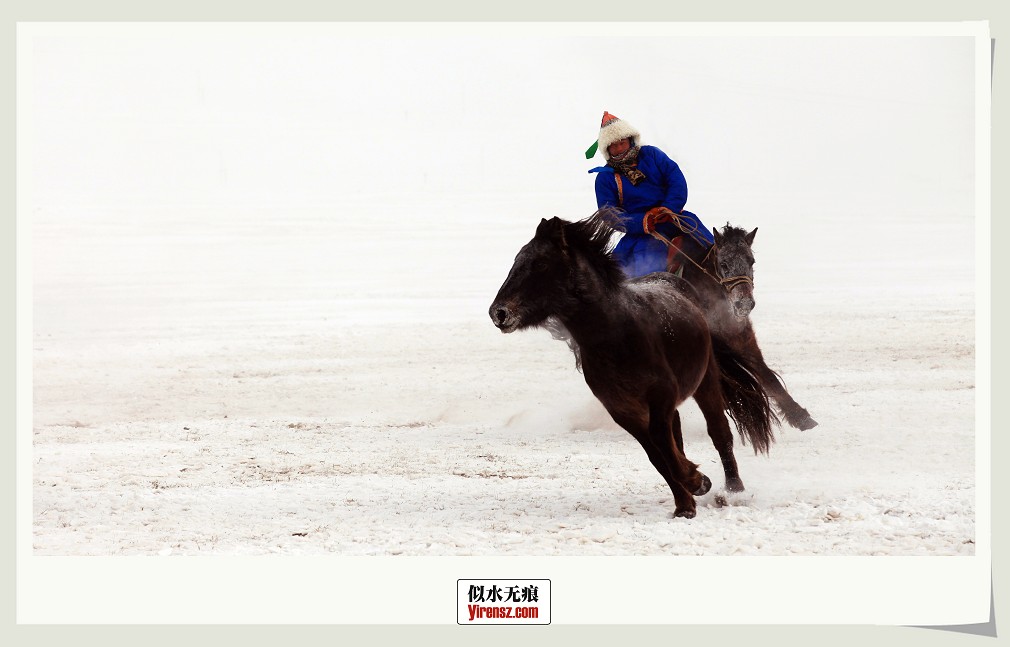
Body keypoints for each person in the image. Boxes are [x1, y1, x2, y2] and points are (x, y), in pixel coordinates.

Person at [586, 111, 713, 278]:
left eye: (622, 143)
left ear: (630, 140)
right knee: (642, 274)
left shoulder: (651, 154)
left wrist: (668, 207)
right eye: (613, 146)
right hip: (642, 232)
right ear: (607, 149)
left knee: (712, 252)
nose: (619, 149)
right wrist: (644, 221)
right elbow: (610, 214)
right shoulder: (605, 177)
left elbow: (676, 180)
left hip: (674, 218)